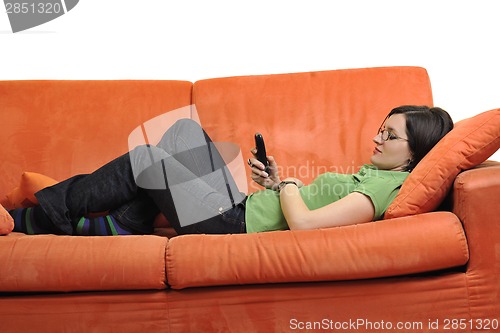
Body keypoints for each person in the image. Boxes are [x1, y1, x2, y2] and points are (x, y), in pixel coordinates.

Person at [9, 105, 454, 236]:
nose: (377, 138)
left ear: (415, 153)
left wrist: (292, 186)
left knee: (146, 160)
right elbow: (295, 204)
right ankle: (127, 221)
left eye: (390, 136)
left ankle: (33, 218)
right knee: (183, 131)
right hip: (243, 206)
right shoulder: (376, 174)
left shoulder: (382, 190)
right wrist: (277, 184)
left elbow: (303, 224)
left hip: (234, 225)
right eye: (380, 128)